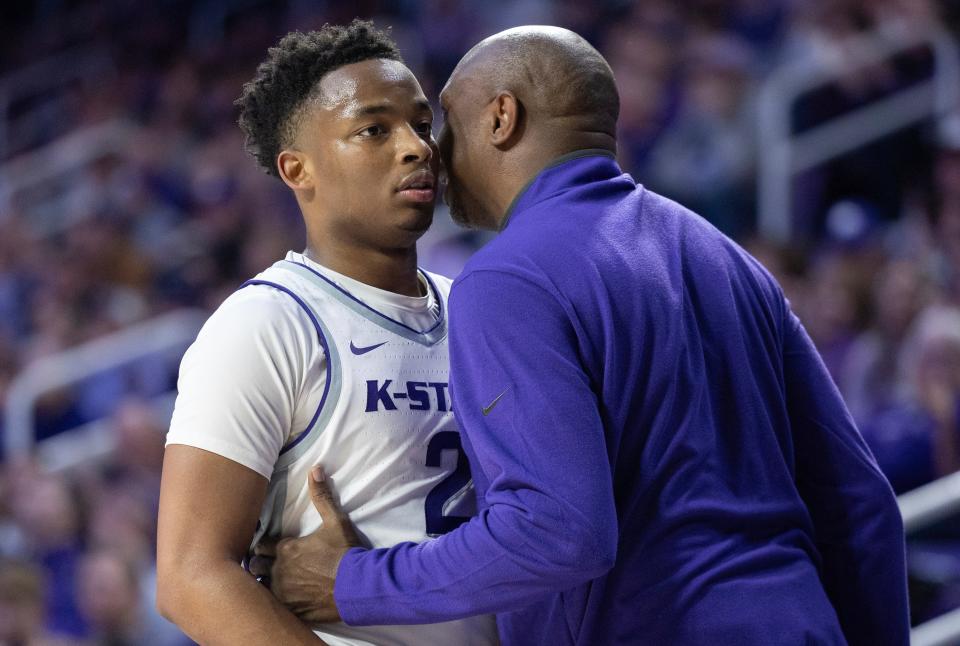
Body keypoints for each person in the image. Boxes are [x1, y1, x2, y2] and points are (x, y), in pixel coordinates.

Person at [257, 26, 910, 645]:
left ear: (501, 118)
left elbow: (558, 532)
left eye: (445, 124)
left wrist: (354, 583)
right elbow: (862, 505)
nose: (433, 152)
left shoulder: (508, 279)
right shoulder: (726, 256)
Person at [155, 20, 497, 646]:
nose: (418, 147)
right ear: (297, 170)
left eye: (422, 124)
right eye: (374, 129)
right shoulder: (265, 323)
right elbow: (190, 574)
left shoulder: (478, 310)